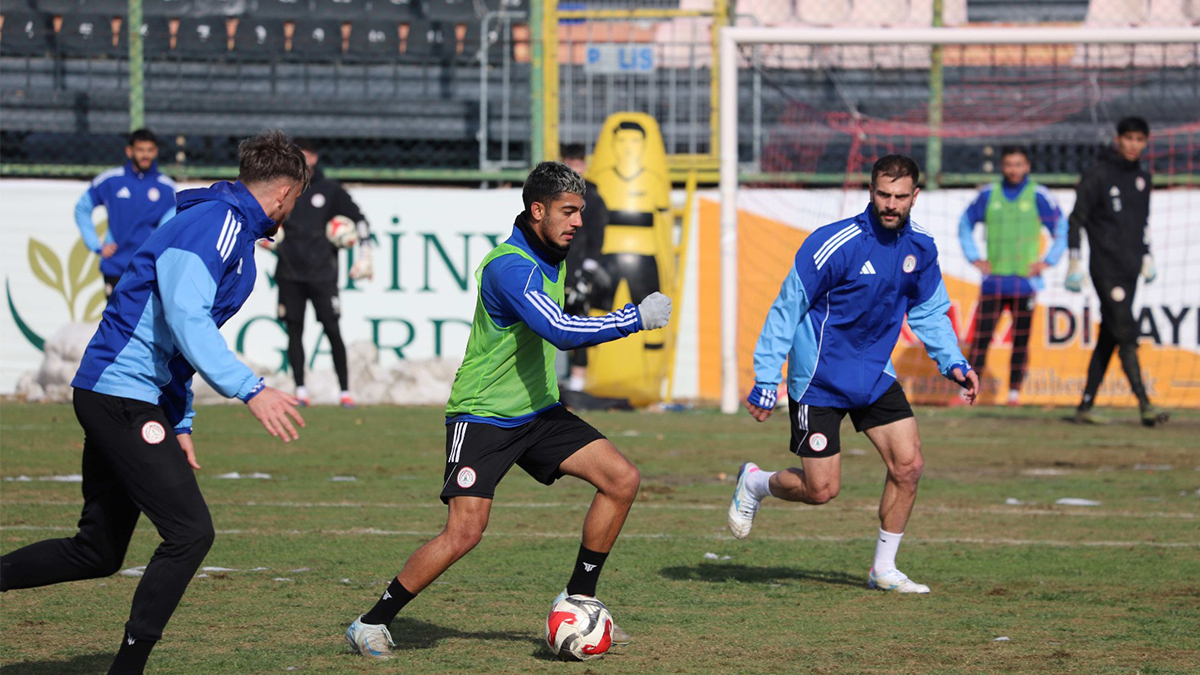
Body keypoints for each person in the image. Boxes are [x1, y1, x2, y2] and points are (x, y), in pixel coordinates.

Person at [0, 131, 310, 675]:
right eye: (297, 198)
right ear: (284, 193)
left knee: (97, 551)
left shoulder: (219, 221)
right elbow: (187, 319)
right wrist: (250, 390)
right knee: (190, 532)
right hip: (121, 394)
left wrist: (180, 417)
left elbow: (174, 334)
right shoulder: (218, 224)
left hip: (122, 393)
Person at [343, 161, 673, 659]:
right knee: (464, 533)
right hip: (483, 415)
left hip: (538, 411)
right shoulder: (510, 267)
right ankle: (370, 622)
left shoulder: (552, 252)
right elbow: (559, 331)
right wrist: (633, 318)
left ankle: (580, 599)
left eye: (580, 211)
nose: (577, 221)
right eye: (568, 211)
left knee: (621, 479)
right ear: (536, 211)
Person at [728, 155, 980, 594]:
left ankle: (883, 569)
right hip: (819, 380)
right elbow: (786, 309)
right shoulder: (833, 244)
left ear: (915, 197)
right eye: (884, 194)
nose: (891, 204)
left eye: (901, 197)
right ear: (871, 190)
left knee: (910, 465)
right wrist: (767, 378)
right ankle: (755, 482)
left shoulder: (921, 248)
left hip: (874, 376)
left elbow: (930, 311)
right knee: (821, 490)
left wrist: (953, 361)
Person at [1065, 117, 1168, 427]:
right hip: (1105, 268)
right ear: (1118, 139)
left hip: (1131, 268)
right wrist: (1074, 261)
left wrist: (1147, 256)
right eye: (1129, 138)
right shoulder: (1098, 174)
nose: (1134, 144)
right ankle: (1145, 405)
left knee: (1109, 335)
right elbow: (1076, 219)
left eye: (1140, 139)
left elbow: (1143, 224)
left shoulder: (1142, 178)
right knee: (1126, 331)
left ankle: (1085, 405)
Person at [958, 145, 1067, 406]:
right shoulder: (988, 194)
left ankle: (1014, 393)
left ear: (1027, 166)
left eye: (1018, 164)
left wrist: (1047, 261)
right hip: (993, 282)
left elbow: (1062, 228)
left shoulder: (1038, 195)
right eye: (1009, 164)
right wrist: (974, 257)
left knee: (1020, 341)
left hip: (1025, 284)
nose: (1013, 169)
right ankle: (968, 393)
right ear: (1002, 166)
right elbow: (965, 224)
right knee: (980, 340)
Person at [270, 137, 373, 408]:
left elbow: (360, 220)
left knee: (332, 329)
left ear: (314, 158)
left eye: (307, 155)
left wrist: (365, 254)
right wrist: (265, 238)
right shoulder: (284, 188)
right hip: (289, 273)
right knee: (294, 331)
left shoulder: (330, 190)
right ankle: (301, 390)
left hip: (322, 274)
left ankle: (344, 391)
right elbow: (264, 220)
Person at [75, 128, 178, 297]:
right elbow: (82, 209)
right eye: (140, 150)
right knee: (116, 322)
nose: (145, 155)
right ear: (129, 151)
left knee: (145, 321)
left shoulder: (167, 188)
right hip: (116, 265)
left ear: (156, 152)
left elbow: (173, 225)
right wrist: (96, 244)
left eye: (149, 150)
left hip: (149, 268)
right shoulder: (111, 181)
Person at [560, 142, 612, 392]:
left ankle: (577, 385)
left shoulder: (592, 197)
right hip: (553, 268)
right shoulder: (549, 195)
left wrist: (587, 273)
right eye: (569, 162)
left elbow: (596, 239)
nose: (573, 168)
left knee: (578, 323)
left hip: (577, 269)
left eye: (577, 163)